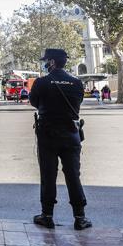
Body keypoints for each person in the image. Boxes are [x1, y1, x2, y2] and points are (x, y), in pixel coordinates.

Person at [29, 48, 92, 231]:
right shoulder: (76, 83)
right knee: (73, 175)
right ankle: (80, 218)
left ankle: (47, 215)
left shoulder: (41, 82)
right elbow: (77, 103)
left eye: (46, 61)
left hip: (48, 134)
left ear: (52, 62)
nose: (45, 64)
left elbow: (34, 102)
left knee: (48, 175)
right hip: (71, 133)